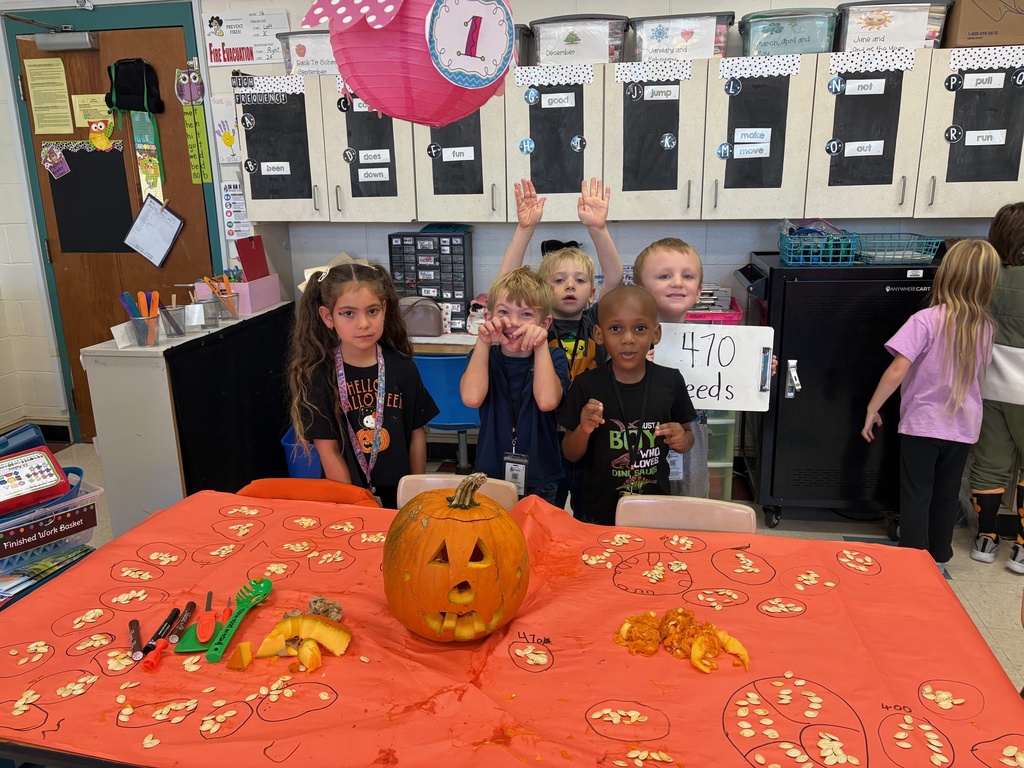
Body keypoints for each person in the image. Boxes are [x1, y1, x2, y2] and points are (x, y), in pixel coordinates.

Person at [861, 240, 1001, 567]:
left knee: (915, 495)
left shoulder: (925, 320)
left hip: (922, 424)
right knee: (945, 495)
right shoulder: (985, 327)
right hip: (963, 427)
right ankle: (940, 554)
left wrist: (872, 408)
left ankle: (913, 560)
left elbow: (897, 369)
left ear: (946, 275)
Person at [497, 177, 623, 508]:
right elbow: (503, 286)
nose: (570, 285)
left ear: (592, 293)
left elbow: (614, 277)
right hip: (543, 430)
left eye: (580, 280)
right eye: (558, 280)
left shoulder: (595, 321)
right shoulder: (536, 323)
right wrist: (525, 229)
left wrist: (598, 228)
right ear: (542, 288)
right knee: (545, 504)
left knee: (581, 503)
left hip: (584, 429)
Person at [288, 263, 439, 509]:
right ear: (328, 317)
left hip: (399, 496)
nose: (363, 324)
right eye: (348, 313)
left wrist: (414, 492)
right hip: (346, 497)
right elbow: (328, 450)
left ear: (385, 310)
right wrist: (355, 503)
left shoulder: (402, 367)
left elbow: (416, 434)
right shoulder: (318, 375)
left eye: (372, 311)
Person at [559, 286, 697, 526]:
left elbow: (688, 437)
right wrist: (583, 429)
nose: (628, 339)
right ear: (599, 335)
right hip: (597, 512)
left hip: (655, 509)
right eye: (616, 329)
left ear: (656, 334)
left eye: (640, 328)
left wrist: (682, 440)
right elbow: (570, 453)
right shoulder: (586, 385)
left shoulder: (671, 381)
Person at [460, 267, 570, 504]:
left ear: (545, 322)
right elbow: (471, 398)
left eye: (527, 314)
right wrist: (483, 342)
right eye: (504, 312)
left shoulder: (555, 358)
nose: (513, 322)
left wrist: (540, 345)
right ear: (489, 317)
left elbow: (547, 401)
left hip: (541, 476)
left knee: (538, 539)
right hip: (490, 475)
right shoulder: (483, 356)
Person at [632, 237, 711, 498]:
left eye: (687, 276)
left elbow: (724, 389)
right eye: (665, 275)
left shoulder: (712, 345)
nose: (677, 282)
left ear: (699, 291)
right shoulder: (628, 345)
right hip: (642, 463)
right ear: (640, 289)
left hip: (692, 466)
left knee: (690, 528)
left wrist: (754, 372)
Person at [969, 202, 1024, 573]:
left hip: (988, 386)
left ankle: (986, 538)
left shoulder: (985, 277)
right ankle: (1021, 550)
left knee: (989, 465)